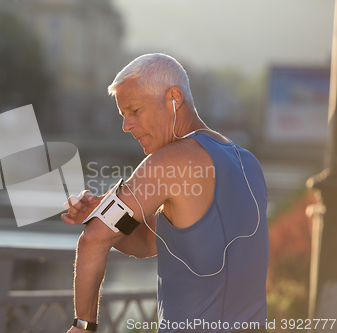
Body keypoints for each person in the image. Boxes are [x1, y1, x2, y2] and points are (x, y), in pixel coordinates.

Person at [62, 53, 269, 333]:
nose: (126, 126)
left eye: (135, 111)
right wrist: (98, 216)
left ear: (174, 98)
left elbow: (94, 239)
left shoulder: (169, 161)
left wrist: (83, 326)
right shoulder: (247, 163)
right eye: (123, 116)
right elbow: (149, 242)